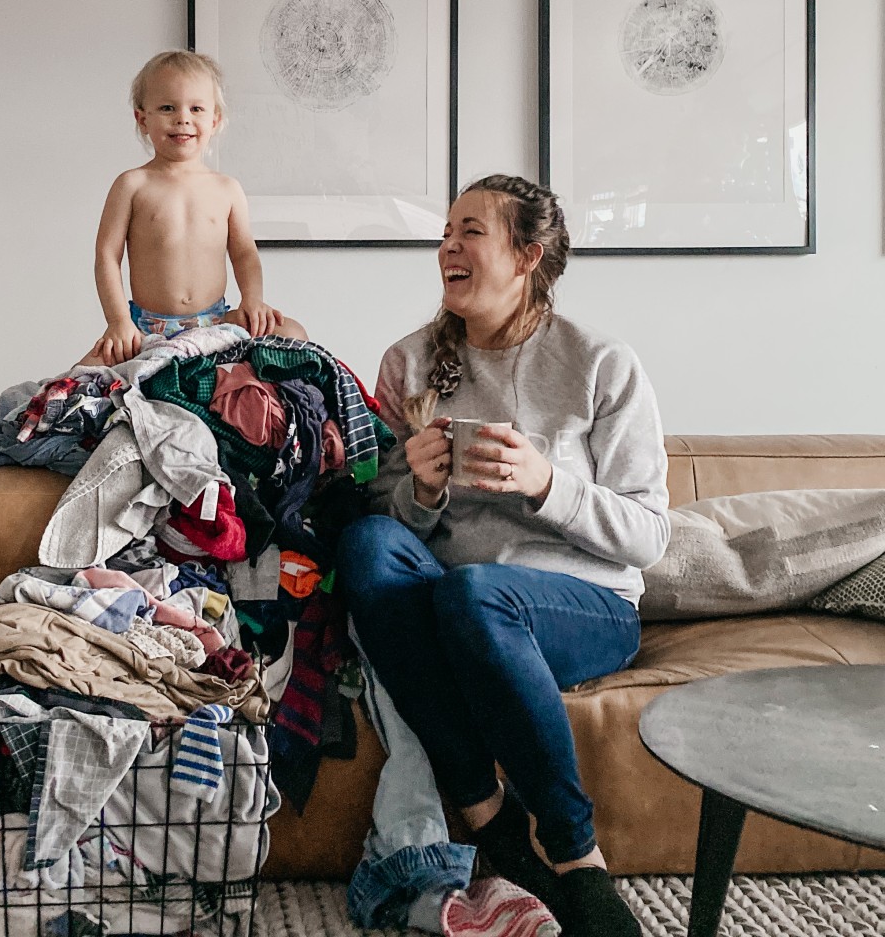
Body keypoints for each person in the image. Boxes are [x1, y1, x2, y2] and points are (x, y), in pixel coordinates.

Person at [337, 174, 669, 937]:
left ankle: (573, 855)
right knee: (366, 543)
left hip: (580, 605)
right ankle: (490, 823)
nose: (448, 245)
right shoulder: (409, 364)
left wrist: (549, 483)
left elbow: (650, 535)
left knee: (475, 594)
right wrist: (418, 491)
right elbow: (392, 529)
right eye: (447, 231)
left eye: (472, 231)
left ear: (528, 254)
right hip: (456, 606)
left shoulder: (599, 363)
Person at [82, 50, 305, 366]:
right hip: (146, 326)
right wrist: (118, 322)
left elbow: (244, 253)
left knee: (295, 333)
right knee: (80, 376)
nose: (182, 117)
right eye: (167, 107)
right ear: (142, 119)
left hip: (212, 321)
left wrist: (252, 301)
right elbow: (107, 256)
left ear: (214, 121)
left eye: (196, 108)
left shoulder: (227, 188)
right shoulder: (132, 184)